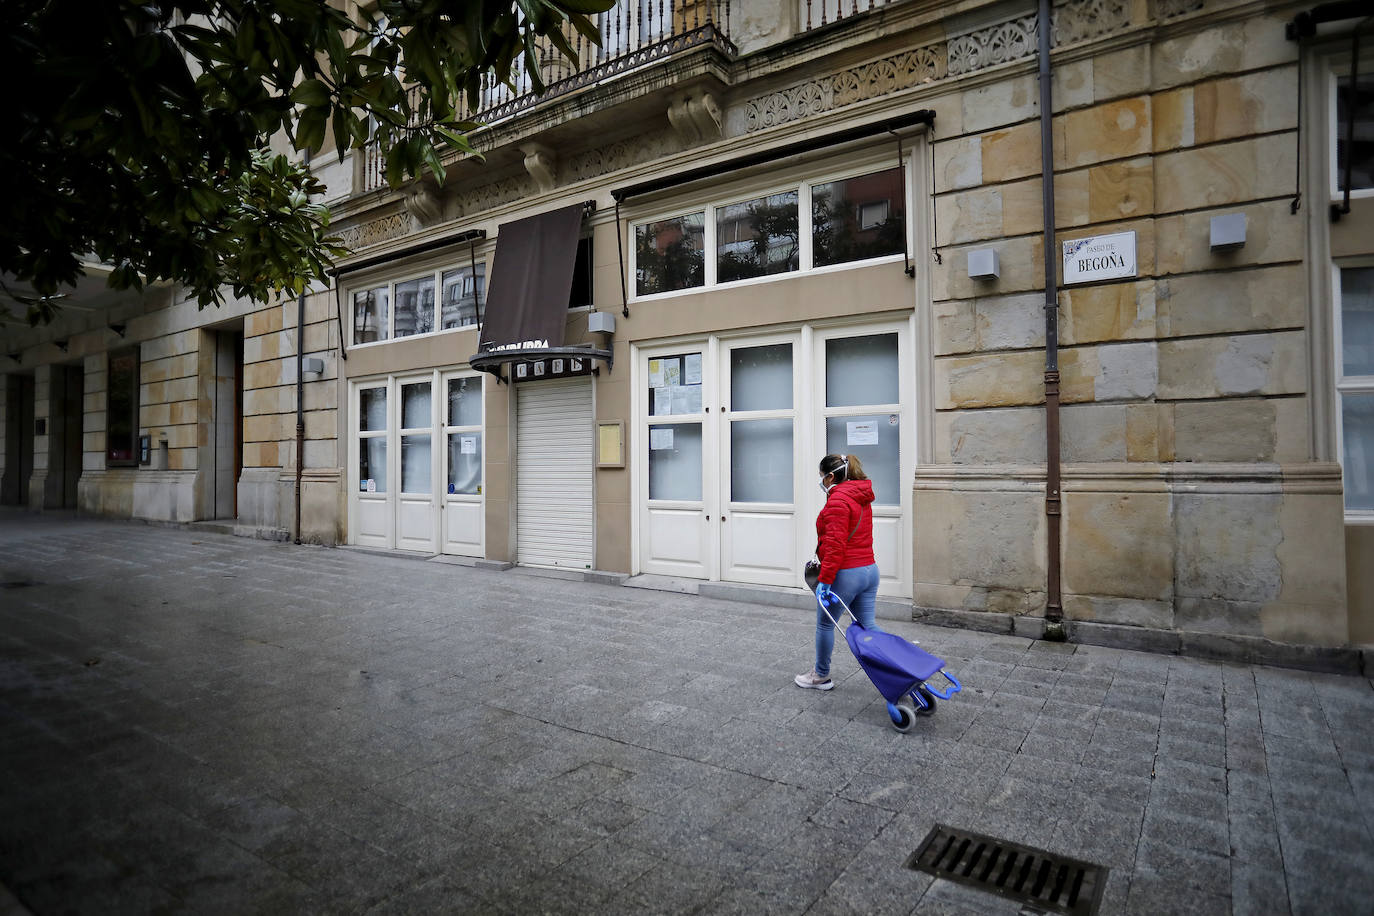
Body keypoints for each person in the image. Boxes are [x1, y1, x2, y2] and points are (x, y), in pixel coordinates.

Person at [795, 453, 880, 690]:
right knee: (868, 626)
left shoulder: (838, 501)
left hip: (847, 573)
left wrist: (825, 579)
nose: (821, 481)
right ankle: (901, 668)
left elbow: (835, 545)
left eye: (822, 477)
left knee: (825, 624)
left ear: (831, 476)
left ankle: (820, 675)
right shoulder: (860, 496)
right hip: (869, 570)